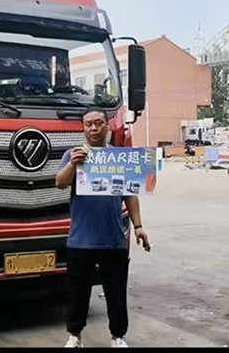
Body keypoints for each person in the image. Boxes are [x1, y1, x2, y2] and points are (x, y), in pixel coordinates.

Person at [55, 107, 151, 348]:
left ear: (107, 126)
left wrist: (138, 226)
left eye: (99, 123)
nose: (94, 128)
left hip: (113, 239)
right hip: (80, 240)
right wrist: (73, 165)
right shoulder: (73, 155)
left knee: (116, 293)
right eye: (88, 124)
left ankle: (118, 337)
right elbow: (60, 183)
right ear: (83, 128)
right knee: (77, 293)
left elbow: (130, 194)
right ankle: (74, 336)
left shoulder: (120, 159)